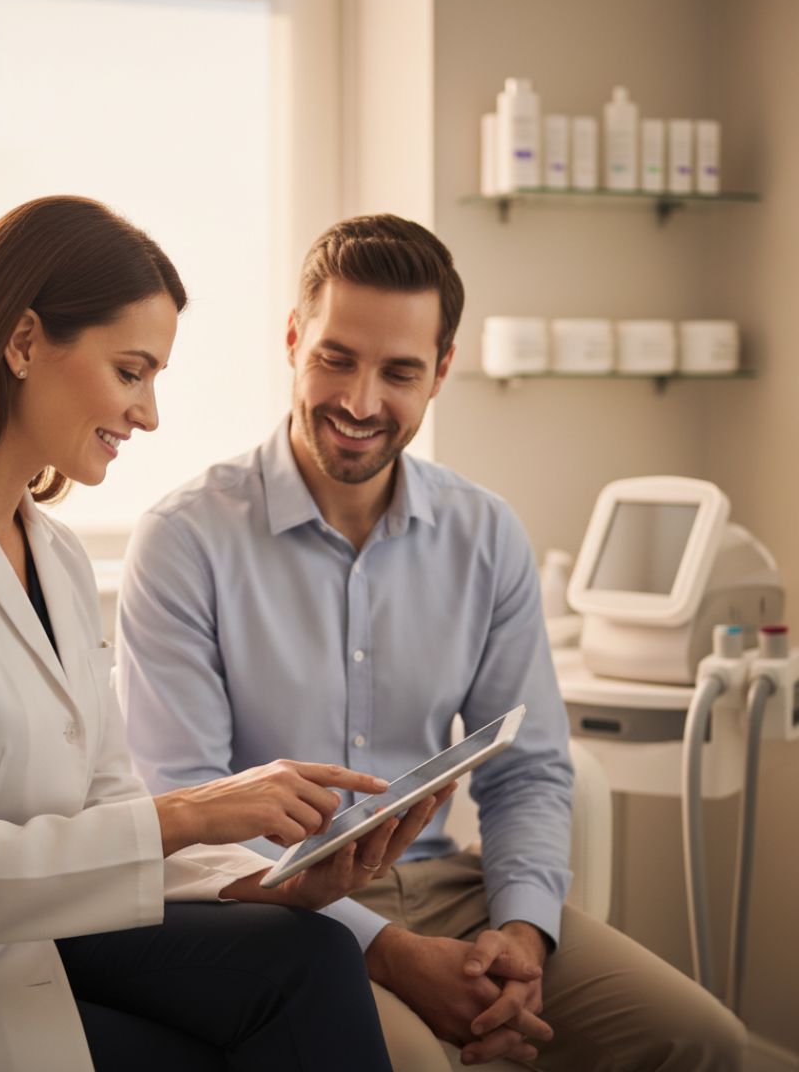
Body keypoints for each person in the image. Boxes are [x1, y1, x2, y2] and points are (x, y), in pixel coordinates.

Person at [0, 198, 457, 1072]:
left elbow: (105, 810)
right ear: (24, 342)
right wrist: (193, 809)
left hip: (12, 962)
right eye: (131, 371)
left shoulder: (57, 557)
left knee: (308, 956)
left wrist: (274, 879)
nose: (148, 415)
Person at [117, 214, 748, 1071]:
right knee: (416, 1064)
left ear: (442, 372)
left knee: (701, 1040)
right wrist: (390, 952)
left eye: (400, 371)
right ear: (295, 337)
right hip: (279, 910)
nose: (361, 401)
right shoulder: (184, 540)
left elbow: (529, 771)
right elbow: (192, 812)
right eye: (337, 357)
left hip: (453, 888)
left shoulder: (485, 534)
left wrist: (523, 936)